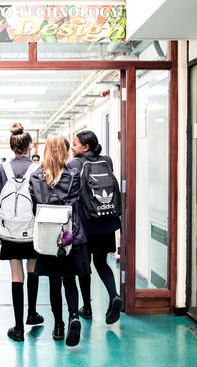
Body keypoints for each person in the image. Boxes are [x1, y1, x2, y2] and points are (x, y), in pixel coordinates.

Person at [29, 134, 90, 347]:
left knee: (54, 282)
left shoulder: (36, 177)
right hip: (70, 235)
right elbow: (79, 203)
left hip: (47, 236)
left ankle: (58, 326)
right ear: (64, 151)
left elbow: (34, 206)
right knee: (70, 279)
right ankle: (74, 315)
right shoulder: (74, 174)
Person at [0, 122, 44, 342]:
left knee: (16, 274)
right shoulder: (37, 168)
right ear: (29, 146)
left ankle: (18, 328)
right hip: (32, 229)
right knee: (32, 269)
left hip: (10, 230)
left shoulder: (1, 169)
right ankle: (32, 313)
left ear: (12, 146)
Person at [69, 130, 122, 324]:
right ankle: (114, 295)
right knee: (101, 263)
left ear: (86, 147)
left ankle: (87, 308)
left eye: (75, 144)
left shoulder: (74, 164)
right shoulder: (106, 161)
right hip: (107, 222)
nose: (71, 147)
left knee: (84, 267)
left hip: (86, 225)